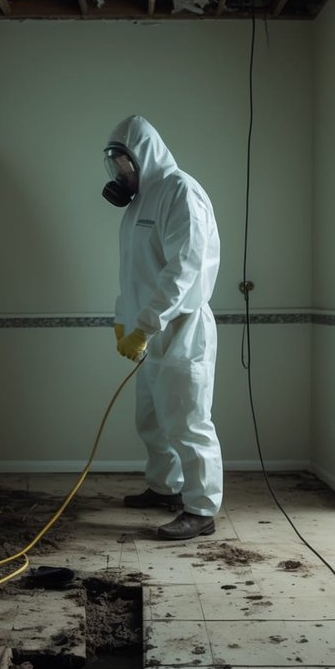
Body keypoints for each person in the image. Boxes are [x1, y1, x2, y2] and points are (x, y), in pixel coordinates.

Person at [100, 115, 224, 540]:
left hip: (182, 329)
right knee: (150, 418)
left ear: (144, 156)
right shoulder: (137, 206)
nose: (120, 173)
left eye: (125, 164)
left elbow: (182, 271)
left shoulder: (179, 192)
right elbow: (132, 272)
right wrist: (123, 320)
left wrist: (146, 325)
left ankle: (202, 509)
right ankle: (165, 487)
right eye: (115, 166)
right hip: (149, 333)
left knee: (187, 422)